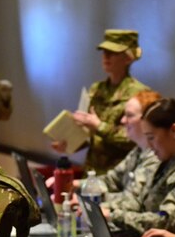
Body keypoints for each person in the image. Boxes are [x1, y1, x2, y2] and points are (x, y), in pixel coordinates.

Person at [100, 97, 175, 236]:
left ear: (174, 130)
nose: (149, 146)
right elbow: (138, 202)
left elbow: (166, 222)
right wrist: (102, 207)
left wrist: (114, 217)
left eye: (151, 137)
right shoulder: (164, 161)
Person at [51, 29, 151, 173]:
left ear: (128, 58)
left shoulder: (141, 94)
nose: (106, 56)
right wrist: (69, 144)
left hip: (119, 176)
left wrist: (99, 126)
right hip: (91, 171)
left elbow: (137, 139)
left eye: (113, 52)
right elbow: (89, 135)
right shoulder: (96, 89)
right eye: (104, 51)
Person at [72, 89, 161, 201]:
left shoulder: (156, 157)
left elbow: (131, 202)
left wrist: (88, 198)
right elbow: (111, 180)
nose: (123, 121)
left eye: (129, 115)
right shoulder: (137, 151)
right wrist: (74, 184)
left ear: (147, 120)